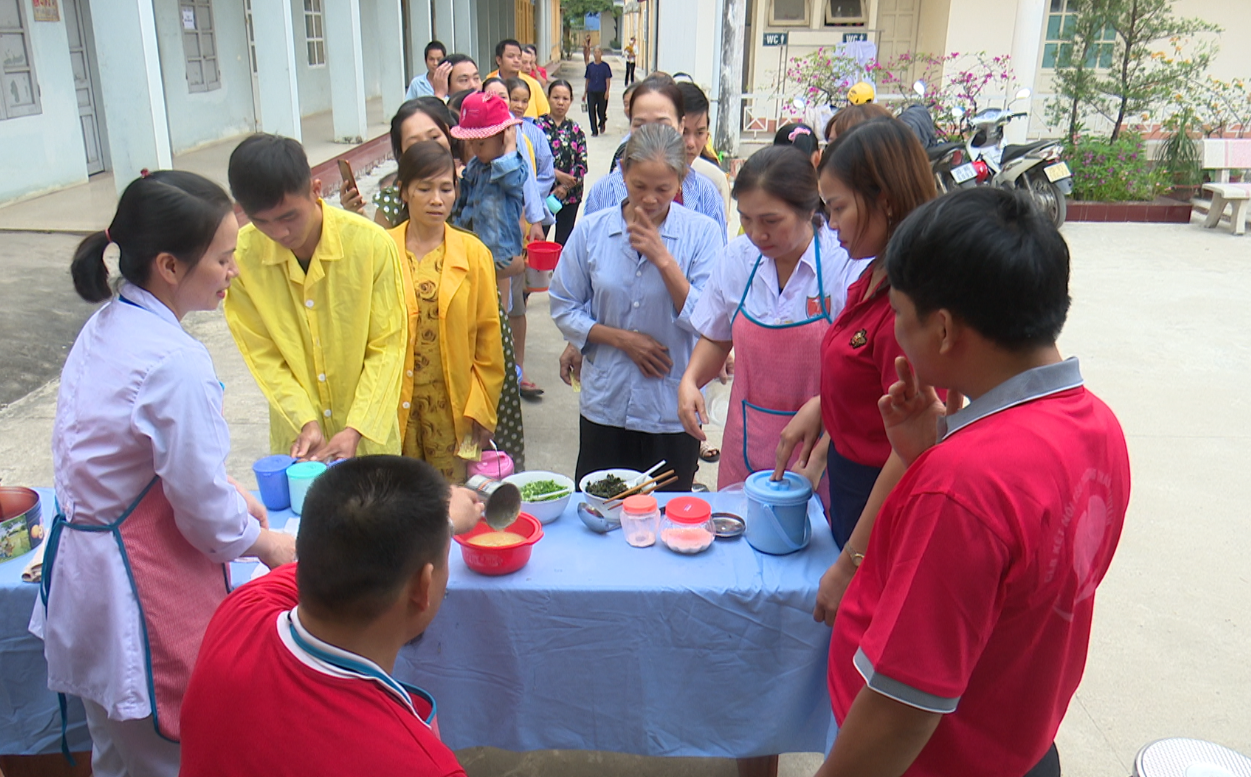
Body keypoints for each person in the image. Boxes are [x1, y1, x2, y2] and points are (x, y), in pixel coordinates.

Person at [820, 187, 1128, 777]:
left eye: (900, 317)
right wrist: (928, 451)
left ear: (941, 330)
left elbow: (903, 706)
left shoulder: (964, 486)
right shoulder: (1097, 424)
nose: (897, 333)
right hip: (1016, 738)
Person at [34, 171, 296, 776]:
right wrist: (268, 544)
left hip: (85, 583)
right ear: (170, 266)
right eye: (224, 258)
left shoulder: (110, 326)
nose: (234, 270)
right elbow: (202, 512)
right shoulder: (173, 360)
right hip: (135, 595)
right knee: (172, 761)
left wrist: (231, 493)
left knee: (117, 759)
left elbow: (131, 467)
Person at [181, 457, 484, 776]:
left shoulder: (243, 608)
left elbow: (339, 557)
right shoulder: (424, 766)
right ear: (422, 587)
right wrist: (438, 527)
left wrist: (436, 525)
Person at [775, 118, 937, 570]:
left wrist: (851, 562)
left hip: (883, 502)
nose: (830, 222)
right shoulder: (870, 276)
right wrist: (824, 407)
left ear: (884, 201)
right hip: (848, 488)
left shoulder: (910, 304)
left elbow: (913, 450)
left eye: (839, 207)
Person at [678, 145, 868, 489]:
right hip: (744, 443)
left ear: (810, 208)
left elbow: (863, 369)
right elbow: (717, 336)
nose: (756, 234)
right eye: (746, 219)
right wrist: (691, 380)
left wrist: (826, 406)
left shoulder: (843, 263)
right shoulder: (737, 258)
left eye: (770, 221)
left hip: (820, 451)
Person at [550, 124, 720, 490]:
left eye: (663, 189)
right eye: (639, 185)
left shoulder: (702, 234)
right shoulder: (592, 231)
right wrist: (622, 339)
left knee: (665, 518)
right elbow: (564, 304)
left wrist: (663, 259)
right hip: (606, 403)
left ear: (680, 180)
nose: (650, 199)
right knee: (600, 509)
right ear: (623, 172)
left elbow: (709, 320)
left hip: (671, 410)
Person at [225, 134, 408, 460]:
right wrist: (304, 420)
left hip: (369, 442)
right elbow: (263, 356)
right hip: (299, 445)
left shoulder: (371, 245)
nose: (279, 233)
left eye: (288, 217)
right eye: (260, 221)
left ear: (316, 189)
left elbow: (388, 346)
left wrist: (356, 428)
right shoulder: (241, 258)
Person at [388, 141, 505, 481]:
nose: (437, 200)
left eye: (445, 188)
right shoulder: (381, 249)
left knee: (452, 500)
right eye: (424, 189)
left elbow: (488, 338)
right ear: (404, 192)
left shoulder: (473, 253)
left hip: (454, 405)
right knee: (400, 497)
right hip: (397, 402)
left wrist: (481, 408)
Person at [450, 92, 532, 464]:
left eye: (483, 142)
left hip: (498, 257)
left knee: (495, 324)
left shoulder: (510, 166)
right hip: (471, 250)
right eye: (471, 143)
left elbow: (515, 176)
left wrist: (510, 143)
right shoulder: (475, 169)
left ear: (502, 138)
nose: (476, 150)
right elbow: (462, 204)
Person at [584, 79, 727, 236]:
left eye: (662, 125)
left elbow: (718, 258)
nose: (651, 134)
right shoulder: (604, 192)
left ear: (681, 126)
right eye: (640, 125)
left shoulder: (706, 196)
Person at [341, 97, 456, 228]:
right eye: (414, 144)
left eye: (434, 137)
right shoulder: (393, 200)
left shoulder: (473, 182)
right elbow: (382, 242)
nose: (427, 148)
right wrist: (358, 214)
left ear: (447, 133)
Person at [536, 78, 588, 245]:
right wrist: (555, 174)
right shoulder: (537, 127)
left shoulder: (576, 130)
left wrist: (565, 186)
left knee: (564, 241)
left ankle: (559, 271)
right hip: (543, 195)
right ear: (548, 98)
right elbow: (530, 160)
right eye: (556, 97)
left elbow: (582, 163)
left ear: (571, 101)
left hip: (570, 195)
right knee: (538, 237)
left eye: (565, 99)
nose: (560, 103)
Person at [677, 82, 731, 222]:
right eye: (684, 132)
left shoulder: (713, 183)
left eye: (699, 133)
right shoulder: (622, 183)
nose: (691, 144)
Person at [505, 77, 556, 197]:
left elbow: (546, 173)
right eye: (515, 100)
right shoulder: (495, 130)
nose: (520, 106)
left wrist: (529, 195)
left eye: (524, 101)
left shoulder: (536, 133)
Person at [488, 39, 548, 118]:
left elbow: (545, 114)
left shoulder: (533, 84)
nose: (516, 60)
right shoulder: (488, 85)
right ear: (499, 60)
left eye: (519, 57)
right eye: (511, 56)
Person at [584, 47, 613, 136]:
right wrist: (585, 92)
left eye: (598, 52)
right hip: (591, 91)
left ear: (601, 54)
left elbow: (607, 79)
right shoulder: (590, 66)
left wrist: (607, 91)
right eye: (595, 52)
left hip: (602, 91)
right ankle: (594, 130)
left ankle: (602, 121)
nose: (597, 54)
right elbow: (587, 80)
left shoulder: (605, 66)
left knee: (601, 110)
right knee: (591, 110)